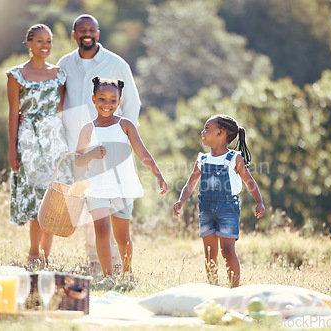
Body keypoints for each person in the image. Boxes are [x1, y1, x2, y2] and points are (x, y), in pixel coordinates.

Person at [57, 14, 142, 274]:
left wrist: (124, 142)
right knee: (87, 204)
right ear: (74, 34)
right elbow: (58, 101)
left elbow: (133, 104)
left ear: (98, 33)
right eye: (81, 30)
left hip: (110, 150)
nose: (87, 34)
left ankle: (117, 264)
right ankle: (95, 261)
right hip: (77, 147)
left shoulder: (115, 63)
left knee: (115, 206)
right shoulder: (65, 63)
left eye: (91, 30)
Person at [75, 77, 167, 284]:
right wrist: (90, 154)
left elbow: (142, 152)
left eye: (112, 100)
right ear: (93, 99)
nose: (107, 104)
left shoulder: (125, 125)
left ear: (119, 102)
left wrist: (158, 175)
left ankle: (127, 273)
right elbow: (78, 161)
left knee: (122, 236)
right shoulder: (88, 128)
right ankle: (107, 277)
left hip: (122, 188)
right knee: (102, 229)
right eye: (102, 99)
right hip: (96, 187)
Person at [6, 24, 73, 265]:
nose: (45, 45)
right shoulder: (16, 75)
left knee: (54, 195)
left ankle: (46, 255)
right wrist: (12, 149)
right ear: (29, 43)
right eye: (40, 41)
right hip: (28, 139)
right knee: (36, 194)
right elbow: (14, 113)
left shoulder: (59, 74)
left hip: (55, 139)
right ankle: (34, 253)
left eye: (49, 41)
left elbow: (62, 109)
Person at [173, 115, 265, 287]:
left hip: (227, 208)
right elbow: (191, 184)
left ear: (221, 132)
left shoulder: (234, 158)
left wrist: (259, 201)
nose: (203, 131)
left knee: (228, 251)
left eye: (207, 128)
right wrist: (180, 201)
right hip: (206, 209)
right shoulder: (202, 159)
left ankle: (234, 289)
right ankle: (214, 289)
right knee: (209, 253)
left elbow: (249, 181)